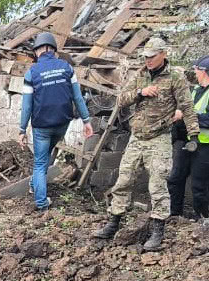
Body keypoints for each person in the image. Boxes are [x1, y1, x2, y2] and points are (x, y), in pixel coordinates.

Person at [93, 37, 198, 252]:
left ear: (163, 54)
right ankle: (113, 223)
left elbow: (187, 107)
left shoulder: (175, 77)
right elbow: (121, 100)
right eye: (146, 57)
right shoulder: (140, 75)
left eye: (152, 56)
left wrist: (194, 135)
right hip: (137, 137)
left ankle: (157, 230)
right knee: (124, 179)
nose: (148, 60)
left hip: (159, 137)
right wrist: (141, 93)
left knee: (158, 185)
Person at [18, 31, 94, 213]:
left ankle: (42, 202)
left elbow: (27, 106)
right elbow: (77, 97)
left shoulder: (32, 73)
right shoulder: (67, 68)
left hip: (41, 127)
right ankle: (33, 185)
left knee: (40, 163)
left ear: (38, 51)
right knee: (44, 158)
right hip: (62, 124)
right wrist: (86, 121)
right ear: (53, 50)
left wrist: (22, 130)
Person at [167, 55, 209, 219]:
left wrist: (185, 115)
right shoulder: (196, 90)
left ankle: (200, 219)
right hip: (188, 141)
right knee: (175, 178)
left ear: (203, 71)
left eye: (196, 70)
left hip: (207, 144)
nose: (194, 73)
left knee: (199, 184)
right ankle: (174, 215)